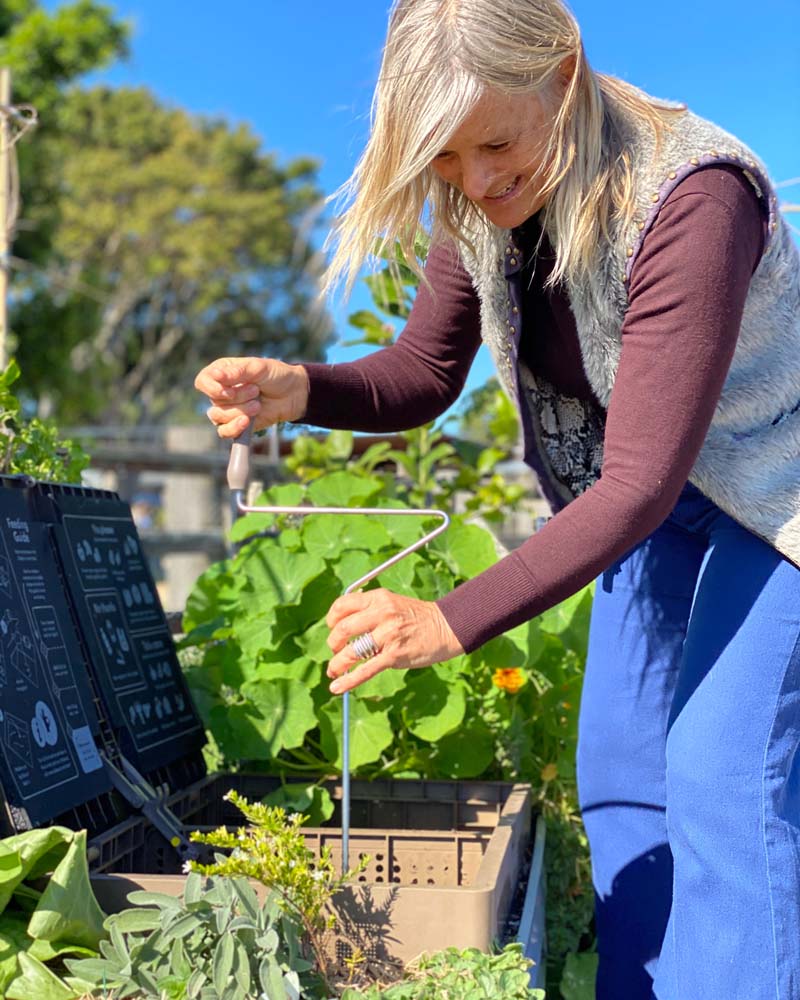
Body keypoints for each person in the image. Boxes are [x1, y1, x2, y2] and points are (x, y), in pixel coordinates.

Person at [194, 1, 800, 997]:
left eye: (494, 145)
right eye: (442, 160)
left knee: (721, 772)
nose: (474, 181)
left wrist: (447, 619)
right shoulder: (478, 198)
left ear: (560, 77)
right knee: (617, 772)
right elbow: (425, 368)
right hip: (655, 490)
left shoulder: (690, 195)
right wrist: (302, 389)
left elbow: (638, 480)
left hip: (775, 483)